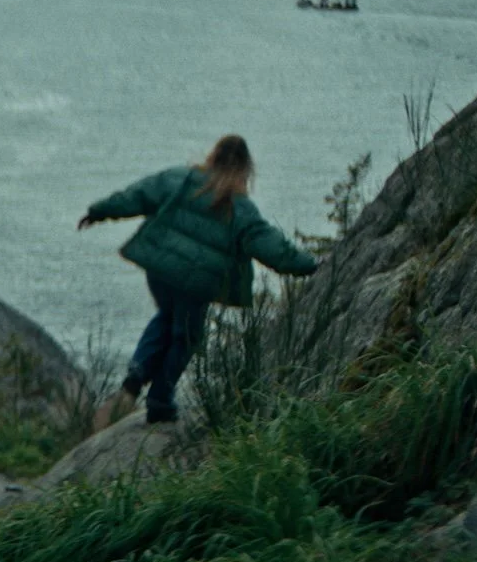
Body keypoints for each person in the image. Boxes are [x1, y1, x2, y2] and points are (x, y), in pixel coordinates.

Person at [78, 134, 318, 423]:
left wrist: (99, 211)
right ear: (245, 169)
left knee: (166, 317)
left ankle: (136, 376)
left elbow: (138, 195)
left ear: (212, 155)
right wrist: (310, 265)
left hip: (161, 270)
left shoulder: (180, 179)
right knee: (186, 337)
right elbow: (271, 247)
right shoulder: (241, 208)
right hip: (198, 283)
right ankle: (160, 400)